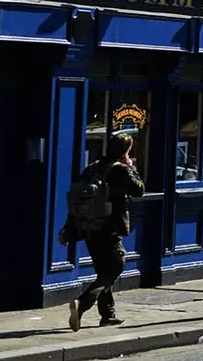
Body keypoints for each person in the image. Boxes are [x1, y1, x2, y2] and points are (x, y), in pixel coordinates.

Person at [60, 133, 145, 331]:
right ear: (126, 150)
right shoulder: (121, 170)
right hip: (110, 227)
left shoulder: (91, 168)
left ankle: (108, 315)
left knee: (102, 270)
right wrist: (130, 165)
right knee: (115, 266)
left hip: (89, 227)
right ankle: (82, 304)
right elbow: (139, 190)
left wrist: (69, 228)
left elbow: (77, 200)